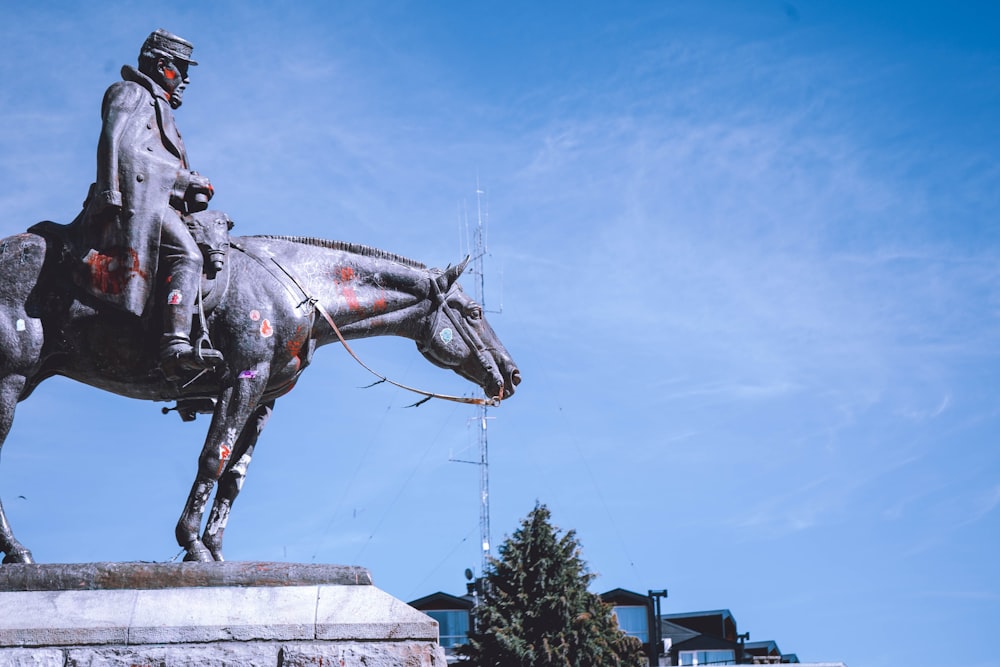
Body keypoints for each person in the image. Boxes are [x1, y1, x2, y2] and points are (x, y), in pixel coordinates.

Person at [76, 28, 223, 378]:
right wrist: (178, 178)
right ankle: (174, 346)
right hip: (136, 203)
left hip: (157, 200)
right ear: (160, 65)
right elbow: (121, 148)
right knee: (187, 256)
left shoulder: (160, 107)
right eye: (180, 69)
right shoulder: (131, 93)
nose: (185, 79)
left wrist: (187, 186)